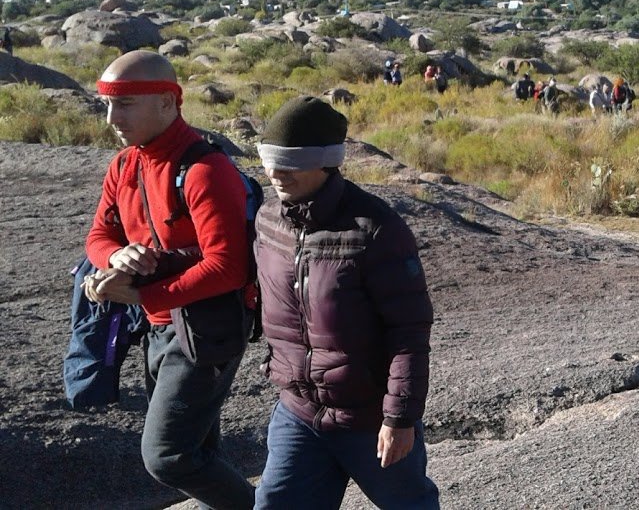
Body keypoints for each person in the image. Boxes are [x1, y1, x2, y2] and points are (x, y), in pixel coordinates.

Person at [83, 50, 256, 509]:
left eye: (124, 104)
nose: (111, 118)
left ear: (167, 101)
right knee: (199, 449)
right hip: (159, 328)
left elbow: (228, 266)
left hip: (205, 329)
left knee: (168, 455)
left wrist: (140, 294)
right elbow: (99, 236)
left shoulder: (205, 170)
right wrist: (117, 254)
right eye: (107, 104)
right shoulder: (125, 165)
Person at [253, 96, 439, 509]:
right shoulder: (268, 220)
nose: (276, 173)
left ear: (327, 161)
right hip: (299, 412)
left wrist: (399, 418)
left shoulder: (374, 229)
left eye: (292, 161)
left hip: (368, 418)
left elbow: (408, 331)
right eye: (269, 160)